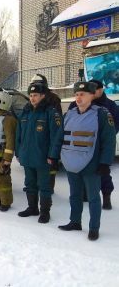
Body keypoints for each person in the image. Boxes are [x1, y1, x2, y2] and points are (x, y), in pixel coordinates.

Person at [55, 81, 116, 241]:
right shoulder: (69, 114)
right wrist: (54, 157)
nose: (78, 97)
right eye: (76, 94)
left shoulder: (102, 114)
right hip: (71, 162)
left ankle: (94, 228)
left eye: (82, 94)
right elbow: (59, 138)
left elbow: (109, 141)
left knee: (94, 197)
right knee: (74, 195)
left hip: (91, 164)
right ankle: (75, 222)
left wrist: (105, 163)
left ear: (91, 95)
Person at [67, 79, 119, 210]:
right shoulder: (76, 104)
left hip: (100, 146)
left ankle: (106, 196)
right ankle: (85, 193)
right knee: (82, 169)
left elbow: (116, 123)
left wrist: (107, 135)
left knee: (103, 172)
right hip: (82, 145)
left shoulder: (110, 105)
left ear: (100, 91)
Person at [15, 80, 61, 222]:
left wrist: (52, 156)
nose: (32, 98)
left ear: (43, 96)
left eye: (35, 95)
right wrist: (18, 153)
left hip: (42, 157)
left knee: (44, 186)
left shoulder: (50, 113)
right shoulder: (25, 113)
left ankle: (45, 212)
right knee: (30, 183)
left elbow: (56, 136)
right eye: (30, 95)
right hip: (27, 156)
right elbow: (18, 135)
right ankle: (32, 208)